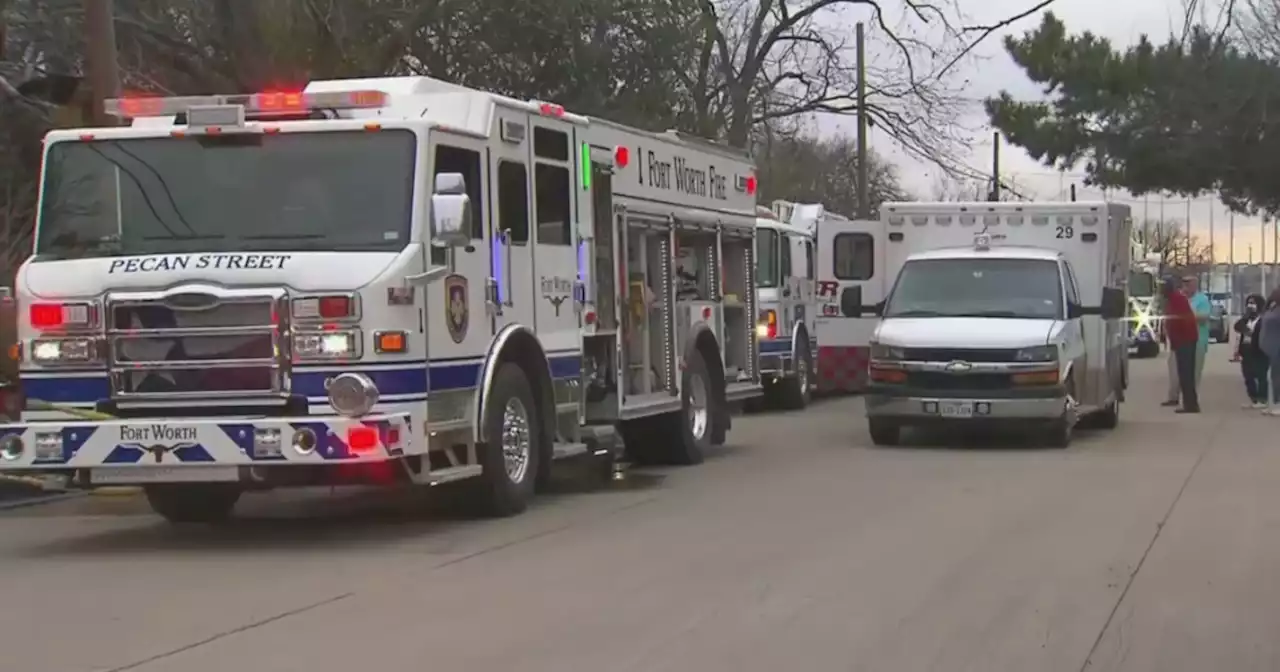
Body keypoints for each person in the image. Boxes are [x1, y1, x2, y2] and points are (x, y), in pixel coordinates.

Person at [1161, 276, 1200, 413]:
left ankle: (1191, 405)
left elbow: (1179, 321)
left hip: (1185, 340)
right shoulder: (1174, 298)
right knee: (1184, 373)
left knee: (1186, 373)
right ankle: (1190, 403)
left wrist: (1176, 341)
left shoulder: (1176, 299)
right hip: (1184, 340)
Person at [1233, 294, 1268, 408]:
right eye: (1249, 303)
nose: (1250, 305)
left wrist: (1252, 333)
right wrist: (1246, 316)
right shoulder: (1246, 319)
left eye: (1253, 303)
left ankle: (1262, 399)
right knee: (1248, 376)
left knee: (1260, 375)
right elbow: (1237, 326)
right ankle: (1253, 398)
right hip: (1246, 350)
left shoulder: (1264, 318)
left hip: (1259, 351)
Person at [1185, 276, 1212, 385]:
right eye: (1185, 284)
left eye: (1189, 284)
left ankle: (1193, 395)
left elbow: (1204, 316)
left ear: (1195, 286)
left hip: (1199, 340)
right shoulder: (1181, 298)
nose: (1186, 287)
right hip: (1183, 340)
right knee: (1183, 370)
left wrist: (1186, 316)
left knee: (1195, 370)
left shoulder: (1202, 299)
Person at [1258, 289, 1280, 416]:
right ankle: (1272, 403)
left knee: (1277, 377)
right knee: (1271, 377)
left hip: (1277, 347)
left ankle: (1278, 403)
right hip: (1269, 348)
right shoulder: (1272, 308)